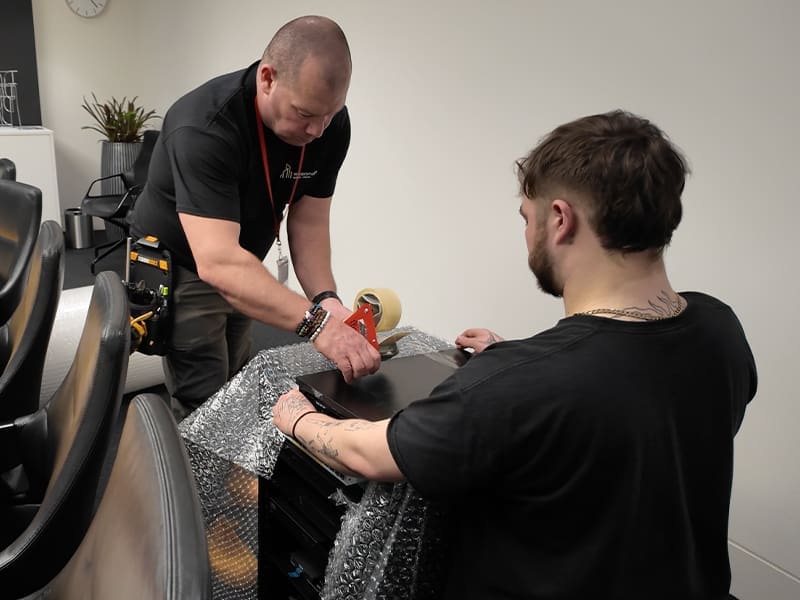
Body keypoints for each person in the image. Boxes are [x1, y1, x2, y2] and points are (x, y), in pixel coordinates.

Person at [272, 110, 757, 599]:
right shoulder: (719, 327)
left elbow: (369, 453)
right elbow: (637, 415)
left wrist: (295, 416)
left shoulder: (520, 385)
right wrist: (520, 359)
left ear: (561, 220)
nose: (526, 234)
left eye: (528, 218)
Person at [127, 16, 380, 414]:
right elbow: (218, 263)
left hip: (243, 258)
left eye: (329, 115)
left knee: (239, 377)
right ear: (267, 79)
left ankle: (236, 471)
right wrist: (317, 325)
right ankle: (188, 473)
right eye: (304, 114)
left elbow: (309, 222)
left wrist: (326, 300)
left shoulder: (328, 125)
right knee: (205, 401)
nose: (317, 130)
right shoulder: (205, 127)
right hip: (185, 263)